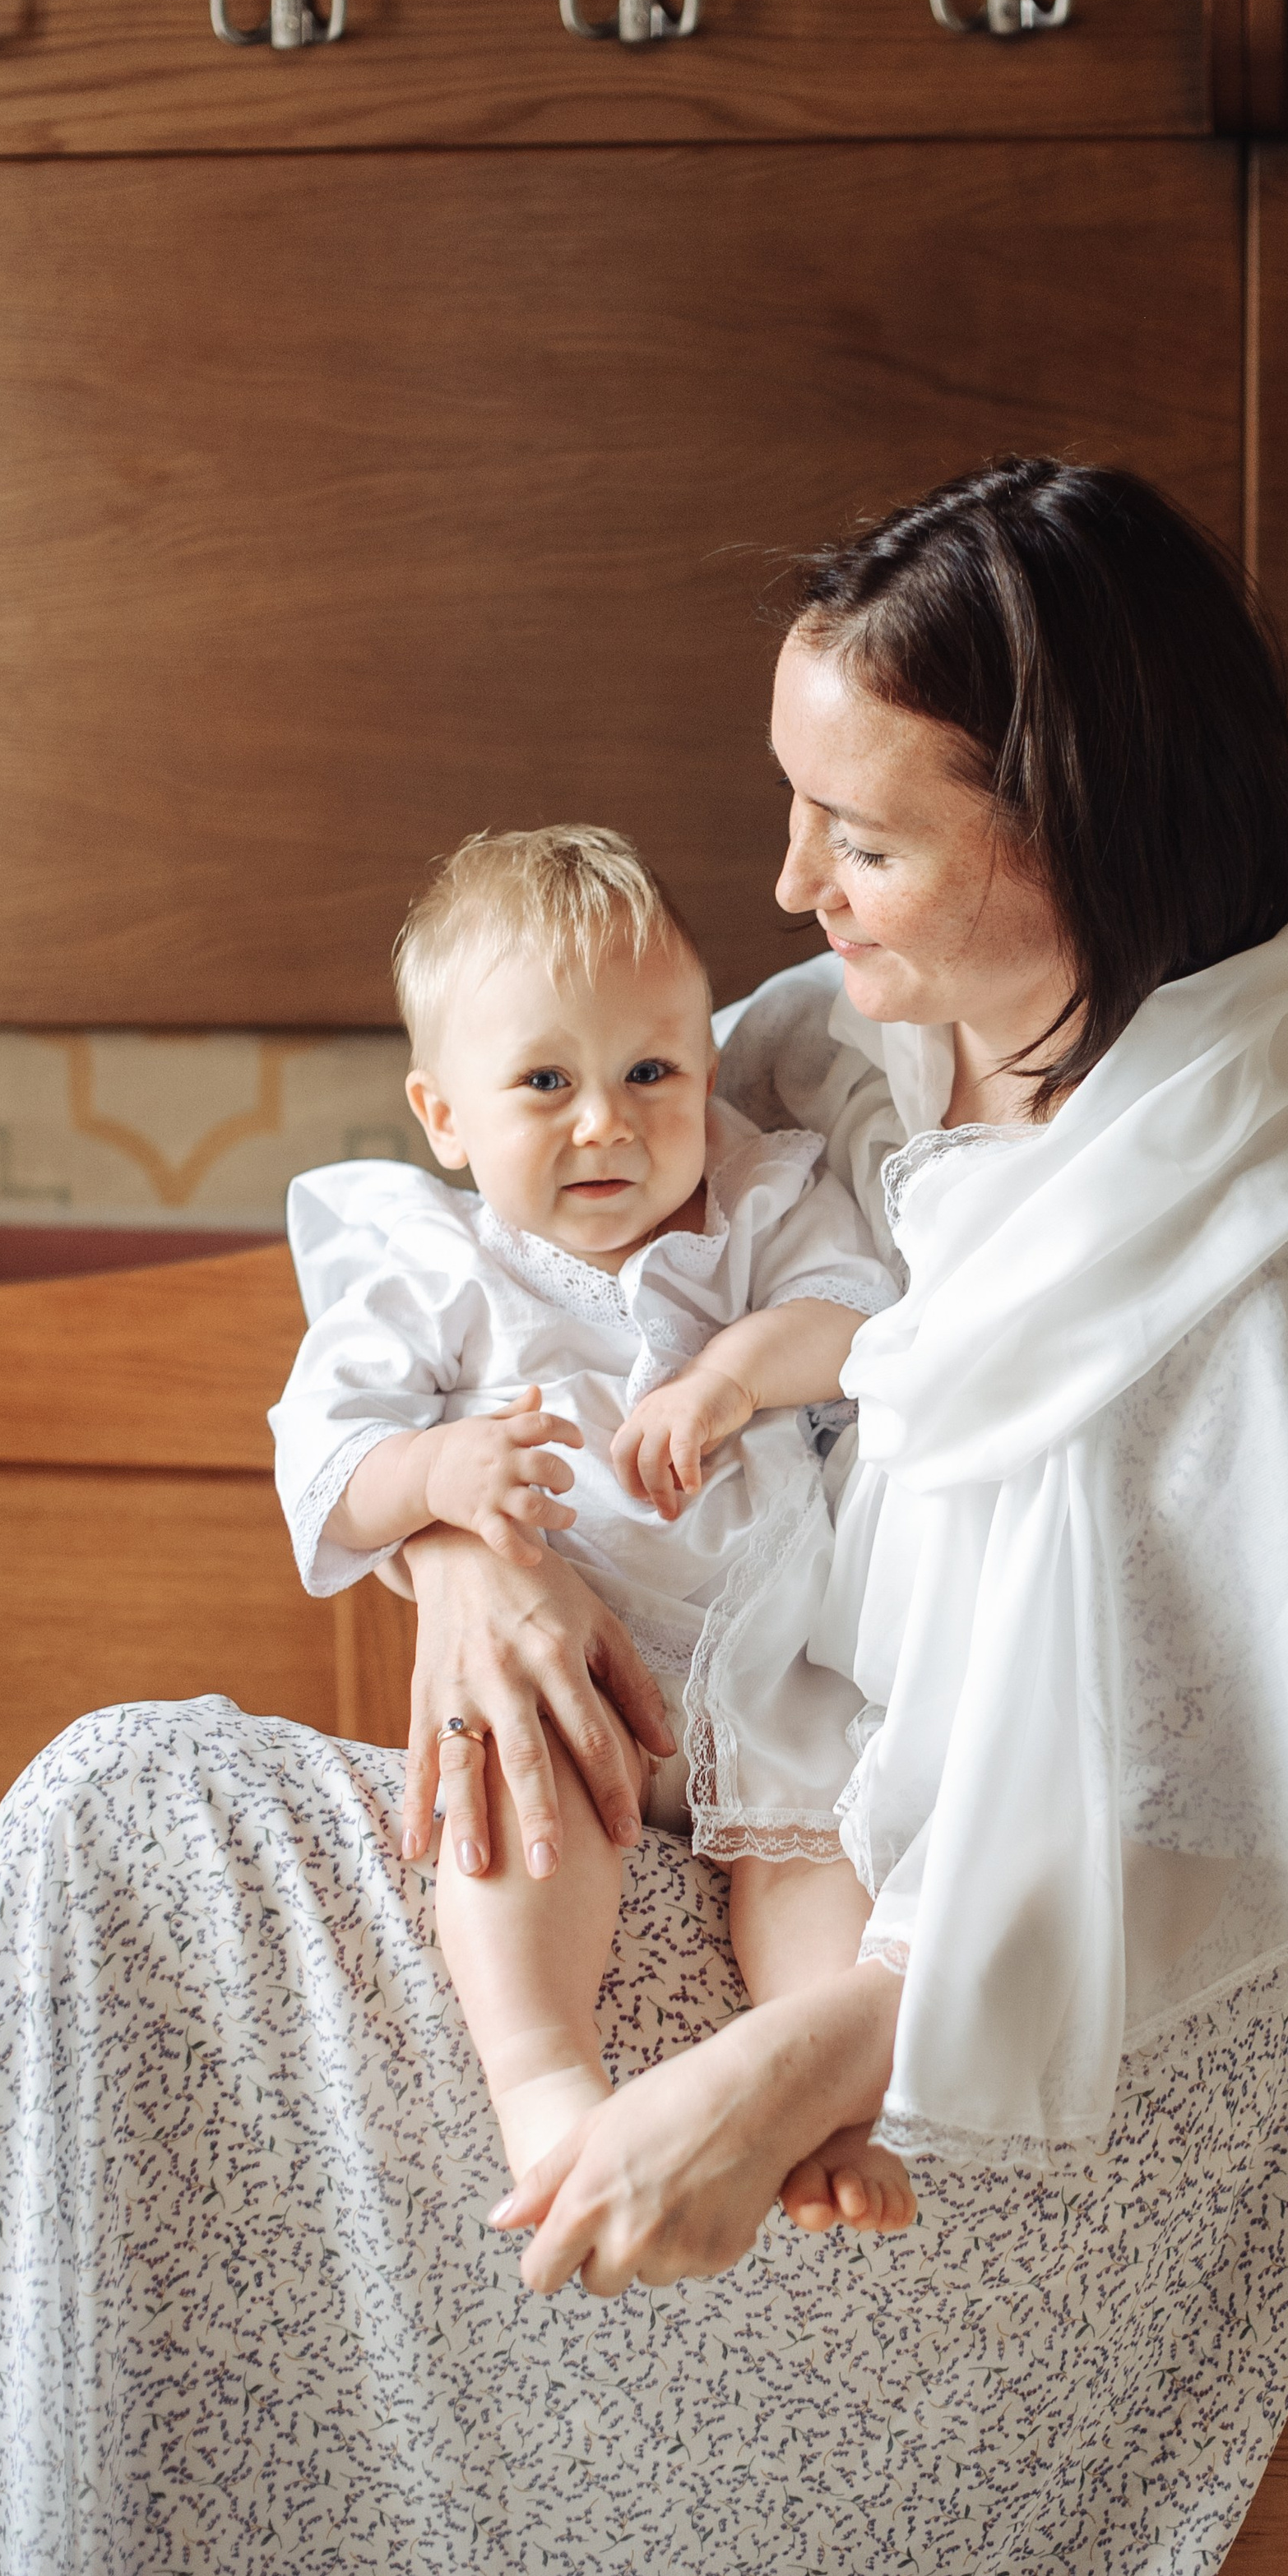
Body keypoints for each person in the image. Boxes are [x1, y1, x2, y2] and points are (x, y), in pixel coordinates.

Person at [0, 458, 1288, 2576]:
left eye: (857, 838)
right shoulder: (851, 1046)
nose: (790, 891)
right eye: (786, 817)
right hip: (731, 1842)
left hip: (1041, 2094)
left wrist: (786, 2066)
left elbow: (1222, 1870)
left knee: (136, 1843)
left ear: (1072, 836)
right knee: (126, 1836)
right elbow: (527, 1300)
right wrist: (467, 1564)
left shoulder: (1270, 1254)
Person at [270, 821, 909, 2217]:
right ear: (443, 1114)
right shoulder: (432, 1262)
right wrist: (439, 1477)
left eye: (650, 1072)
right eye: (546, 1082)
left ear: (705, 1064)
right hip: (571, 1680)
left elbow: (862, 1320)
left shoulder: (756, 1199)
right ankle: (544, 2080)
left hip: (767, 1665)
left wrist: (733, 1373)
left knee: (819, 1857)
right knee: (514, 1816)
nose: (607, 1122)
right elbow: (324, 1461)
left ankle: (816, 2114)